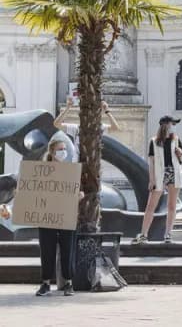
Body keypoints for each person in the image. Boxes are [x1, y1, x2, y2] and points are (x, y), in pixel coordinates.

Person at [33, 139, 82, 296]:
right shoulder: (41, 171)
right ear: (52, 152)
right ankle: (45, 283)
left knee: (68, 248)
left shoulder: (70, 171)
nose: (63, 151)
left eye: (64, 149)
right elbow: (34, 191)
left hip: (66, 215)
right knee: (47, 249)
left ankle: (68, 283)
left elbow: (78, 190)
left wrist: (80, 194)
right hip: (46, 216)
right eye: (60, 149)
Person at [132, 116, 182, 244]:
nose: (174, 126)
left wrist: (180, 154)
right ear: (166, 125)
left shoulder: (176, 139)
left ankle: (168, 234)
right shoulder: (154, 141)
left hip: (174, 173)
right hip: (159, 175)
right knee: (151, 205)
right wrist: (151, 180)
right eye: (173, 123)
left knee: (171, 205)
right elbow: (151, 162)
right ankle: (144, 234)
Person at [54, 97, 121, 152]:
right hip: (78, 163)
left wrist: (107, 111)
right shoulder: (77, 128)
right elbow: (57, 124)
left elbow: (115, 127)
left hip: (93, 164)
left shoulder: (100, 128)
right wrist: (67, 108)